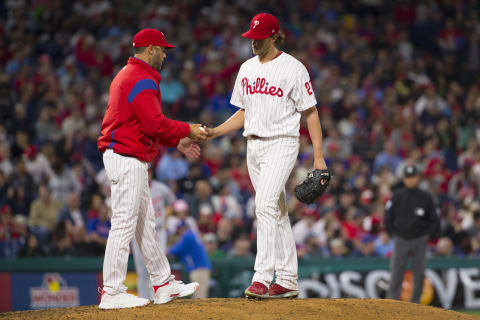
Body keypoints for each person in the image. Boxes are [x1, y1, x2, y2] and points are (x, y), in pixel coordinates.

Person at [207, 13, 328, 299]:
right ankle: (286, 279)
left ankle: (262, 276)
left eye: (259, 39)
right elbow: (244, 112)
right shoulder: (247, 68)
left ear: (274, 37)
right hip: (254, 145)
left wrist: (319, 158)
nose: (253, 43)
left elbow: (310, 112)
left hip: (283, 142)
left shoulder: (293, 68)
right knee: (277, 209)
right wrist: (215, 132)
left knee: (263, 204)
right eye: (251, 38)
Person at [96, 28, 207, 309]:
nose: (165, 55)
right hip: (126, 156)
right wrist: (188, 130)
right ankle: (111, 290)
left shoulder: (131, 75)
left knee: (146, 225)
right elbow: (154, 124)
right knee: (124, 222)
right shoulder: (140, 78)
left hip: (130, 155)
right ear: (150, 50)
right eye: (163, 50)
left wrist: (177, 139)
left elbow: (147, 123)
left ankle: (162, 283)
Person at [385, 165, 440, 303]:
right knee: (397, 271)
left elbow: (434, 218)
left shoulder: (425, 197)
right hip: (401, 238)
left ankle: (416, 303)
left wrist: (430, 235)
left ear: (418, 178)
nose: (411, 180)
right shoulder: (397, 196)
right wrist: (391, 232)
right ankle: (392, 301)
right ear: (404, 179)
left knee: (419, 272)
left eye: (413, 177)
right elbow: (387, 216)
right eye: (408, 177)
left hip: (420, 238)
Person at [131, 169, 176, 300]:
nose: (146, 175)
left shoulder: (161, 188)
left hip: (158, 231)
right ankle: (144, 300)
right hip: (139, 232)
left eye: (148, 172)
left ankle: (159, 298)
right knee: (142, 270)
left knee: (159, 267)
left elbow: (173, 202)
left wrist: (165, 215)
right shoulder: (133, 189)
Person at [168, 221, 211, 299]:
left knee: (199, 298)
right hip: (200, 268)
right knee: (199, 296)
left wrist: (165, 251)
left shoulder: (188, 236)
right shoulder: (192, 235)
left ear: (183, 228)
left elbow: (174, 250)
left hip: (199, 269)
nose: (179, 233)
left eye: (180, 230)